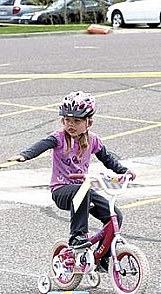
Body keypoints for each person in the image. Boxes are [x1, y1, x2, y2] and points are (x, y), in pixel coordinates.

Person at [8, 91, 136, 267]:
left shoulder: (93, 140)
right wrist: (24, 155)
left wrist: (124, 171)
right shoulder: (59, 138)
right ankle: (77, 235)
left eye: (76, 121)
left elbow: (107, 159)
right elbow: (41, 145)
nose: (71, 125)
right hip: (61, 190)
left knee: (114, 216)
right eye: (67, 120)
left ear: (89, 122)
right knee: (81, 191)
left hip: (82, 191)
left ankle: (102, 256)